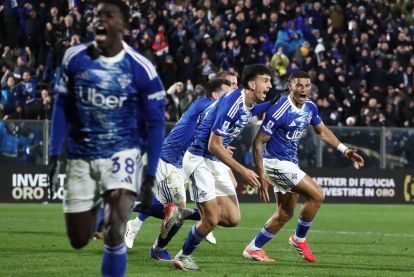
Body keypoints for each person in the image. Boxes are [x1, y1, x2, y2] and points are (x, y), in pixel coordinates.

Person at [47, 1, 166, 276]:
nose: (100, 20)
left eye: (108, 15)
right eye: (96, 15)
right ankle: (98, 203)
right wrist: (54, 153)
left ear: (123, 26)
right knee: (79, 239)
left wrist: (149, 175)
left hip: (123, 154)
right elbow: (61, 106)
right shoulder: (73, 58)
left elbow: (156, 123)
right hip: (82, 155)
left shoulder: (141, 68)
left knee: (115, 230)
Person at [242, 71, 364, 263]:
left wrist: (345, 150)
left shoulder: (310, 108)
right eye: (299, 85)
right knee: (318, 194)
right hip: (275, 163)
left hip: (289, 163)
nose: (304, 89)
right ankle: (299, 239)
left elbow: (322, 131)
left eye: (307, 86)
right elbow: (258, 142)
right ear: (290, 86)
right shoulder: (280, 109)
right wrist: (261, 174)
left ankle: (253, 248)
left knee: (285, 213)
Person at [174, 64, 274, 271]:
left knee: (231, 219)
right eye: (266, 81)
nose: (269, 85)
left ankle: (182, 213)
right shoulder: (232, 103)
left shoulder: (246, 103)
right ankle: (183, 256)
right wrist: (243, 170)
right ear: (252, 84)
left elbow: (253, 110)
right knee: (210, 219)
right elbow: (213, 144)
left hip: (214, 159)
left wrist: (279, 100)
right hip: (200, 158)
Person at [124, 79, 232, 259]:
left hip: (180, 163)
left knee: (172, 210)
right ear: (215, 95)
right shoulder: (203, 104)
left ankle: (155, 238)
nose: (230, 97)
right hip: (167, 161)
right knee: (177, 213)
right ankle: (134, 212)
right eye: (227, 93)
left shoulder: (210, 113)